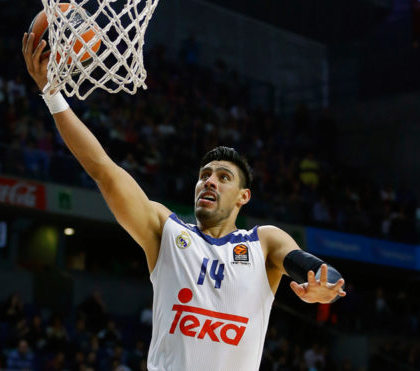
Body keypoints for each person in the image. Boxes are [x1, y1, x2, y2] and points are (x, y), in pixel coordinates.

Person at [23, 32, 346, 371]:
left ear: (243, 197)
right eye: (205, 174)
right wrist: (53, 95)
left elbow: (316, 269)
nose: (209, 180)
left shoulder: (263, 242)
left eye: (223, 177)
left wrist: (323, 287)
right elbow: (104, 169)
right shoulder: (165, 231)